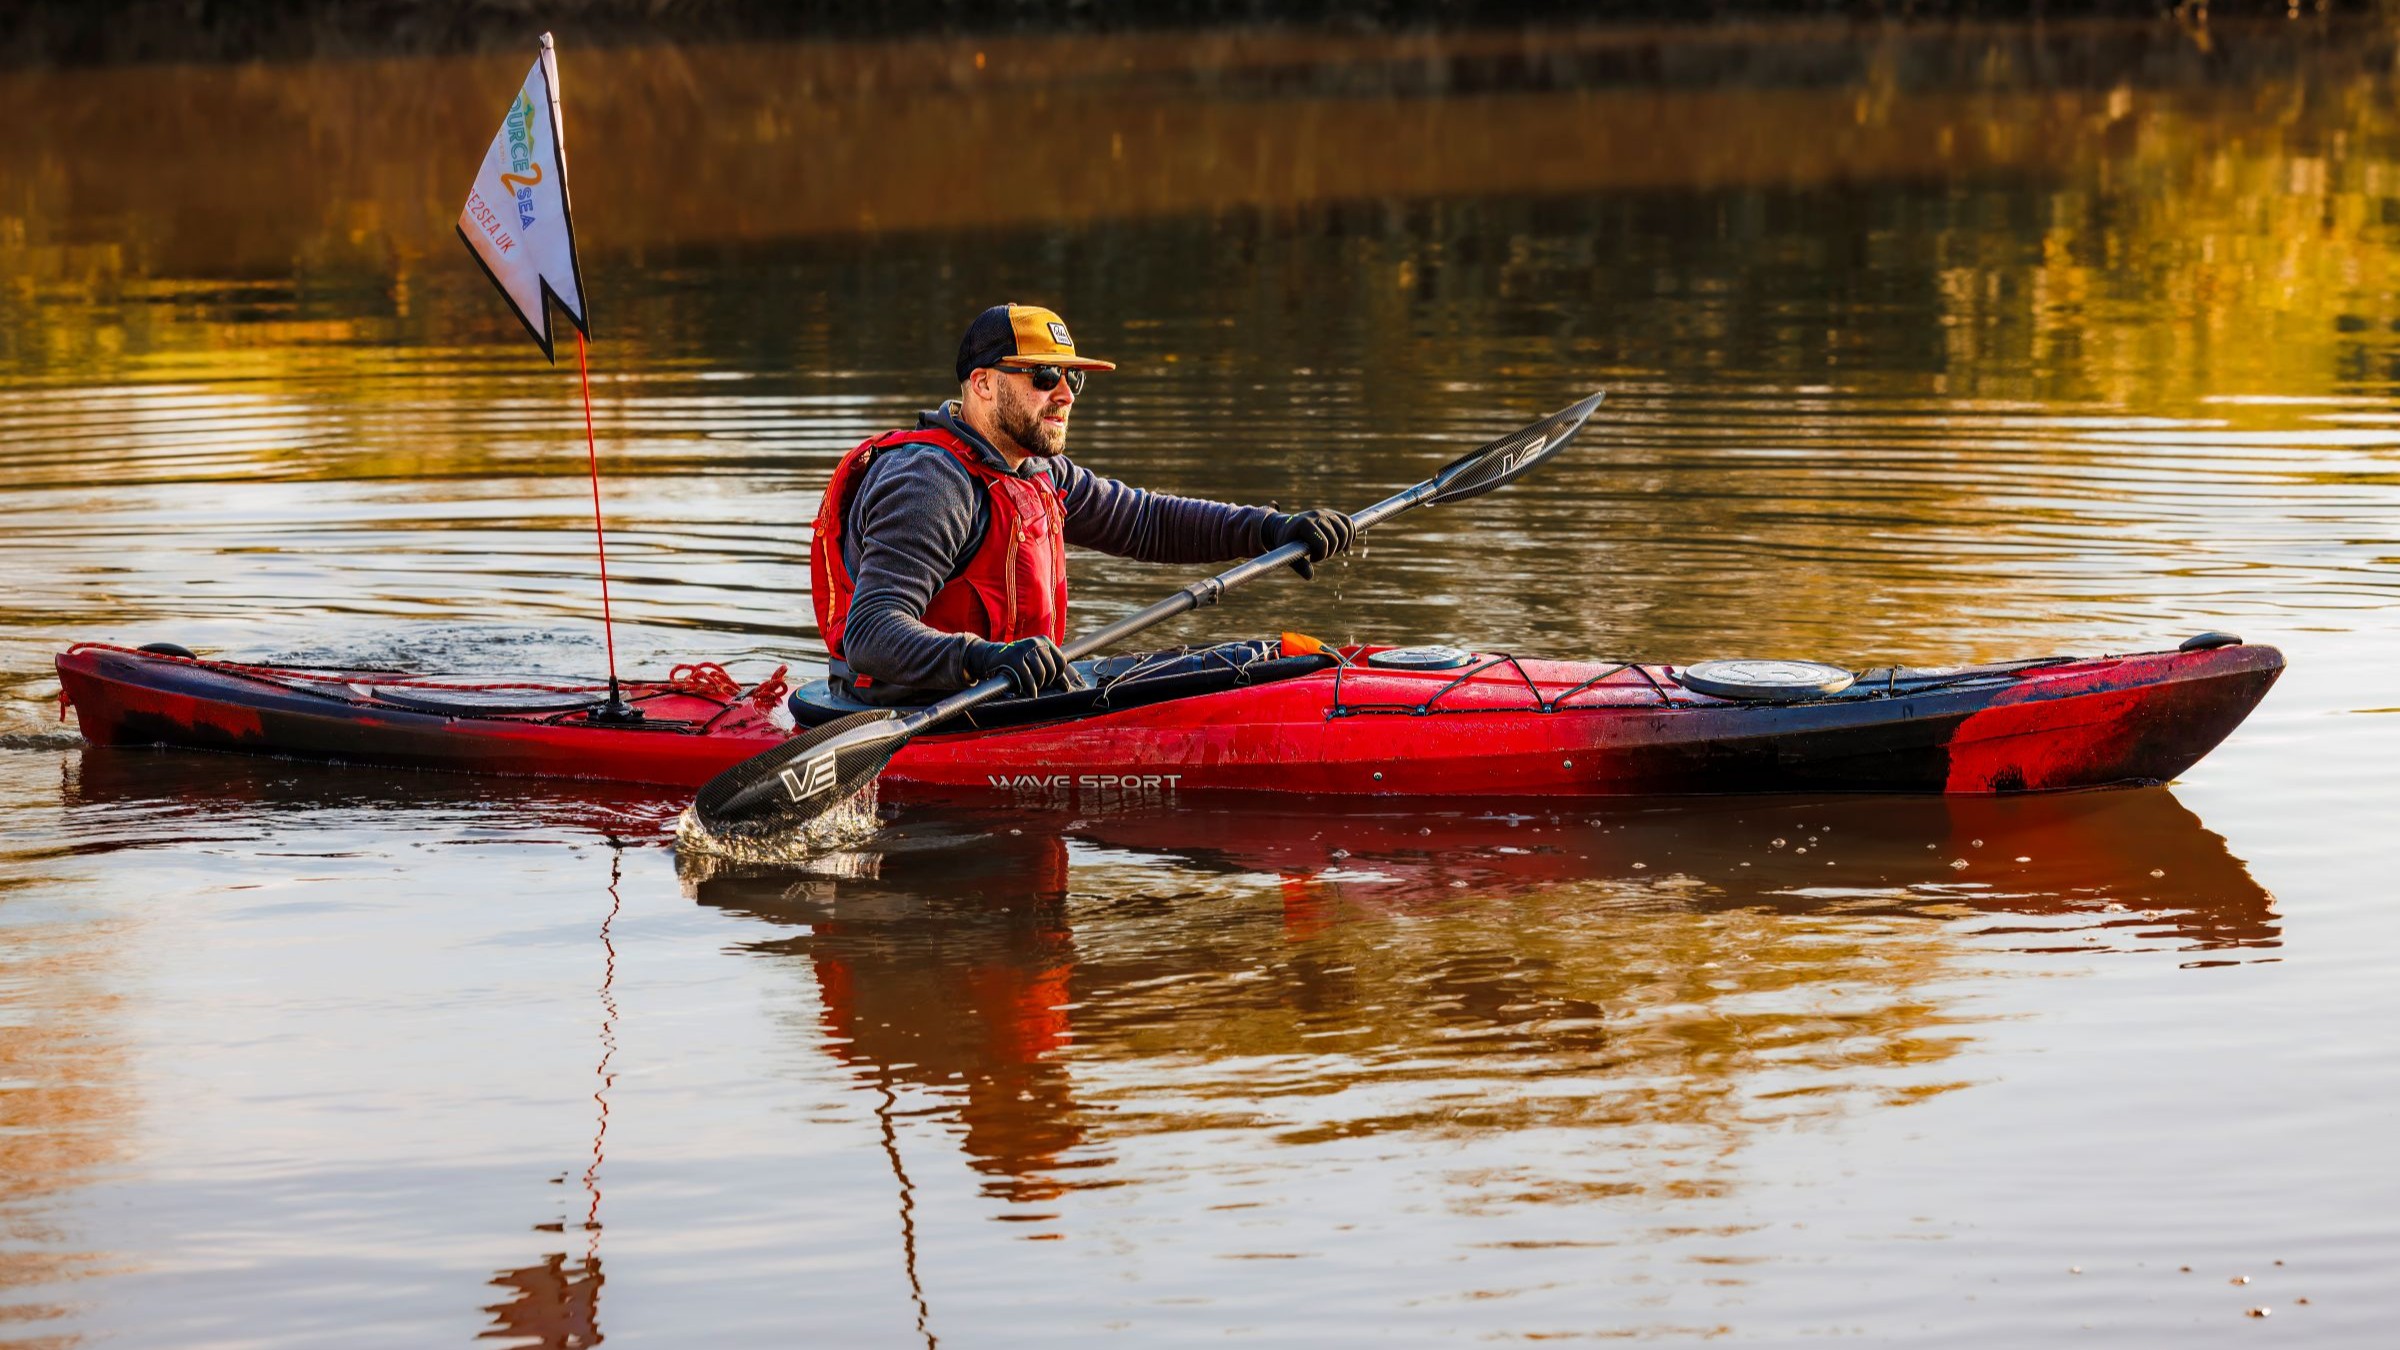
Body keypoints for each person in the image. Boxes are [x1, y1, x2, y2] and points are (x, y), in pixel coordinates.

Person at [810, 303, 1355, 702]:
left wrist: (1270, 529)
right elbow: (872, 634)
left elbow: (1147, 522)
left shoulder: (1035, 470)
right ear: (981, 384)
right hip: (918, 710)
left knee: (1263, 663)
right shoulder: (929, 483)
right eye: (1044, 376)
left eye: (1071, 378)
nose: (1066, 393)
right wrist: (986, 658)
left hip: (1006, 693)